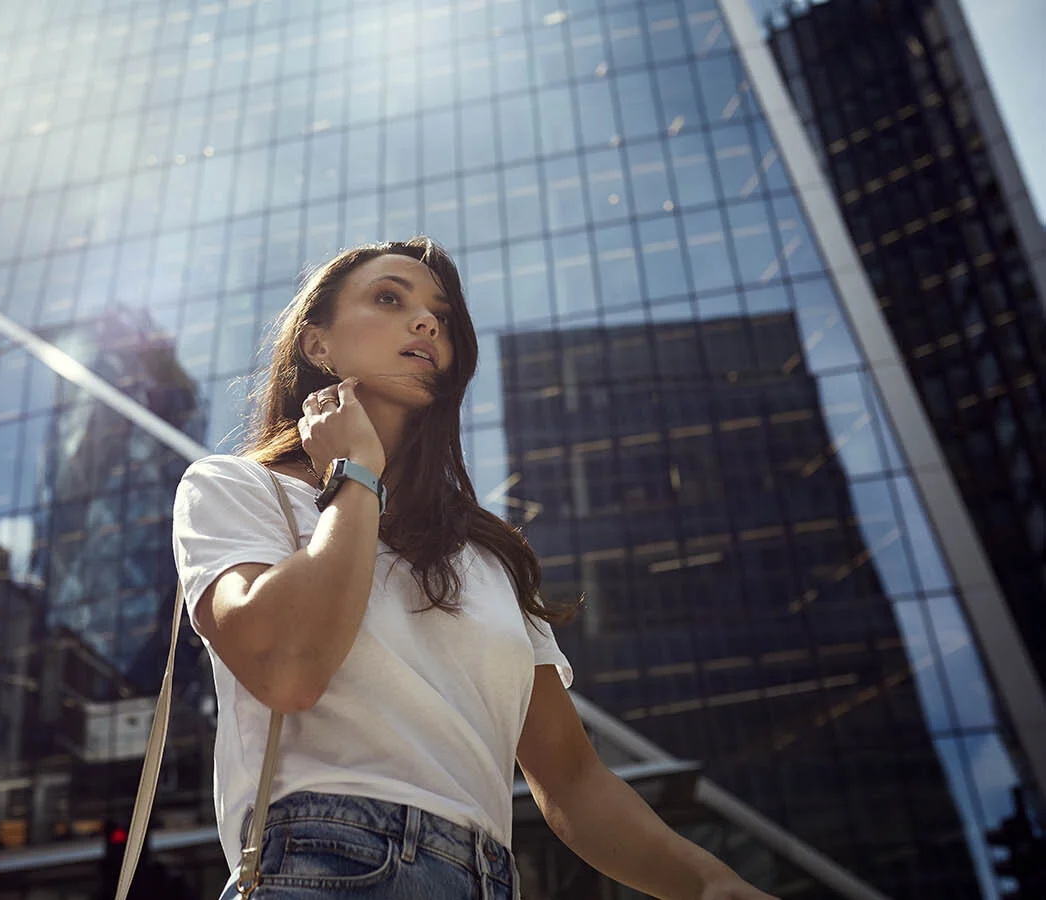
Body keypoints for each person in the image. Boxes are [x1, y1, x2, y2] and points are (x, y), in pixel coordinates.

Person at [171, 238, 778, 899]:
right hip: (320, 864)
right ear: (318, 346)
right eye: (388, 298)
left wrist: (711, 884)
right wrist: (357, 476)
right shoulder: (236, 489)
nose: (427, 322)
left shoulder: (487, 557)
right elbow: (288, 669)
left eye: (442, 316)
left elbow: (572, 779)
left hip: (489, 879)